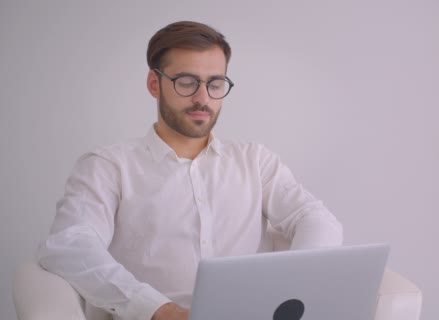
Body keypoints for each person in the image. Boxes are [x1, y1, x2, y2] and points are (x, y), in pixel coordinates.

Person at [37, 21, 343, 320]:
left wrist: (293, 281)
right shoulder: (108, 167)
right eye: (186, 82)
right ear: (154, 84)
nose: (202, 98)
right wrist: (156, 309)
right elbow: (70, 245)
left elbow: (315, 218)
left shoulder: (255, 161)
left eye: (215, 83)